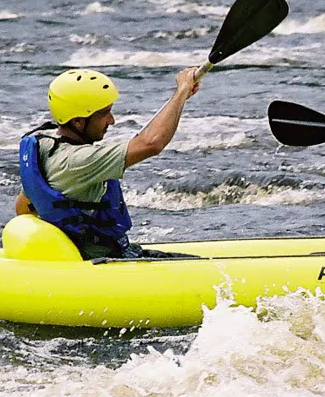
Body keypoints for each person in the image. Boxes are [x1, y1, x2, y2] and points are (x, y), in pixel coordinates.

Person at [15, 67, 201, 259]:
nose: (112, 121)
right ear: (79, 121)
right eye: (105, 113)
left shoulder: (46, 146)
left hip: (88, 258)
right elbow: (152, 143)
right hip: (105, 263)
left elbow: (22, 207)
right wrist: (181, 92)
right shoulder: (79, 161)